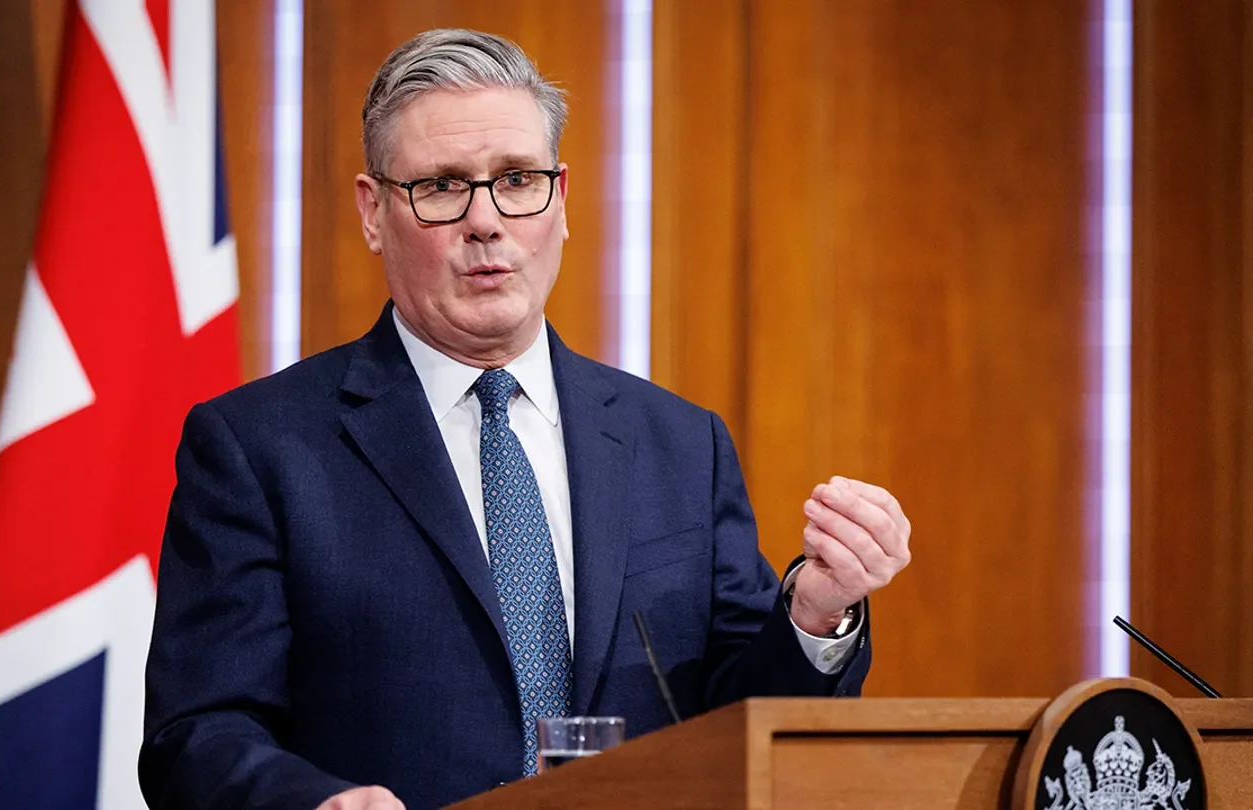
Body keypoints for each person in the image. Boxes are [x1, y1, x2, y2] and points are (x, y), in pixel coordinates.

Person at [139, 28, 911, 810]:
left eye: (516, 179)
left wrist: (815, 613)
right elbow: (196, 734)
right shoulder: (259, 446)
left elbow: (738, 720)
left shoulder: (680, 444)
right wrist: (312, 804)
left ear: (562, 200)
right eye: (441, 186)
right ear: (373, 213)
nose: (487, 221)